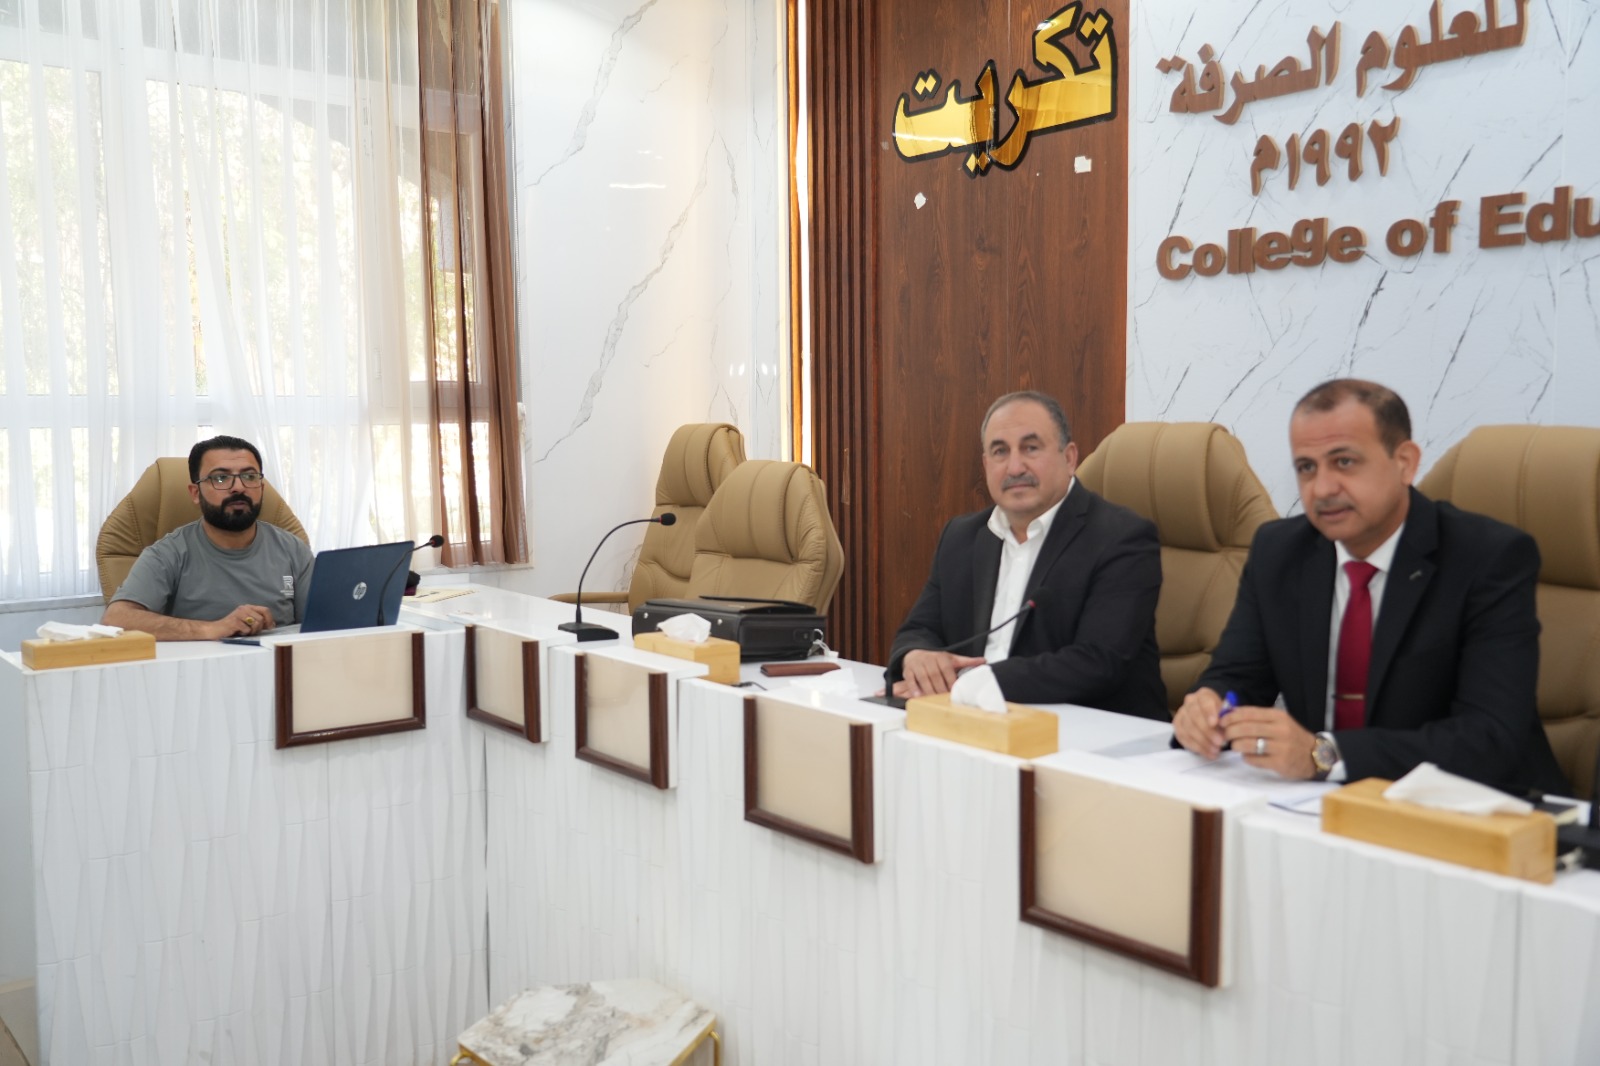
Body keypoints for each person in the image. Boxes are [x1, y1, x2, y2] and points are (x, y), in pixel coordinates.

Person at [1173, 379, 1566, 793]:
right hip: (1317, 803)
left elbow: (1489, 739)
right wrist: (1208, 708)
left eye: (1344, 462)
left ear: (1405, 463)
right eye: (1306, 467)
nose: (1322, 488)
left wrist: (1325, 755)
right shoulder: (1279, 552)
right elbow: (1238, 676)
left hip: (1473, 807)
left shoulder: (1487, 557)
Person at [885, 390, 1167, 719]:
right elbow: (919, 628)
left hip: (1088, 731)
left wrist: (973, 684)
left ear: (1069, 458)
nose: (1015, 467)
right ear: (985, 465)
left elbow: (1099, 661)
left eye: (1031, 448)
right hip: (972, 721)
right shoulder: (961, 537)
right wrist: (916, 657)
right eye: (1000, 452)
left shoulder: (1121, 537)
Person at [101, 435, 314, 641]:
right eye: (220, 478)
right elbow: (116, 619)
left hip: (278, 662)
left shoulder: (293, 549)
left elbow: (322, 625)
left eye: (249, 477)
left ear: (262, 487)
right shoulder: (168, 553)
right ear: (195, 493)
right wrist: (212, 628)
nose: (239, 487)